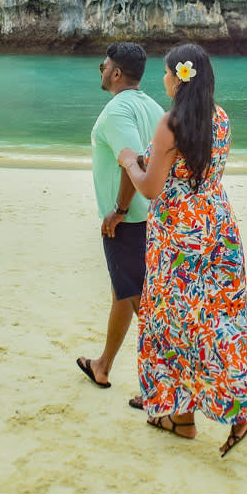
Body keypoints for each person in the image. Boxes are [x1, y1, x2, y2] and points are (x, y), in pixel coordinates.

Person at [119, 42, 247, 457]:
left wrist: (129, 162)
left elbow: (151, 188)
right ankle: (184, 418)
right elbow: (205, 171)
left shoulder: (171, 123)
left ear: (179, 78)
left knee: (169, 321)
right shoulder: (220, 117)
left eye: (167, 72)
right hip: (217, 226)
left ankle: (232, 406)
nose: (163, 79)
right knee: (214, 319)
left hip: (178, 235)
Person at [76, 42, 163, 394]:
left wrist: (120, 209)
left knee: (144, 306)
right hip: (151, 218)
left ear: (115, 73)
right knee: (123, 293)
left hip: (127, 223)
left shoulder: (116, 112)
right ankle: (103, 365)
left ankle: (164, 388)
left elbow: (136, 160)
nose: (100, 71)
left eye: (103, 66)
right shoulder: (154, 107)